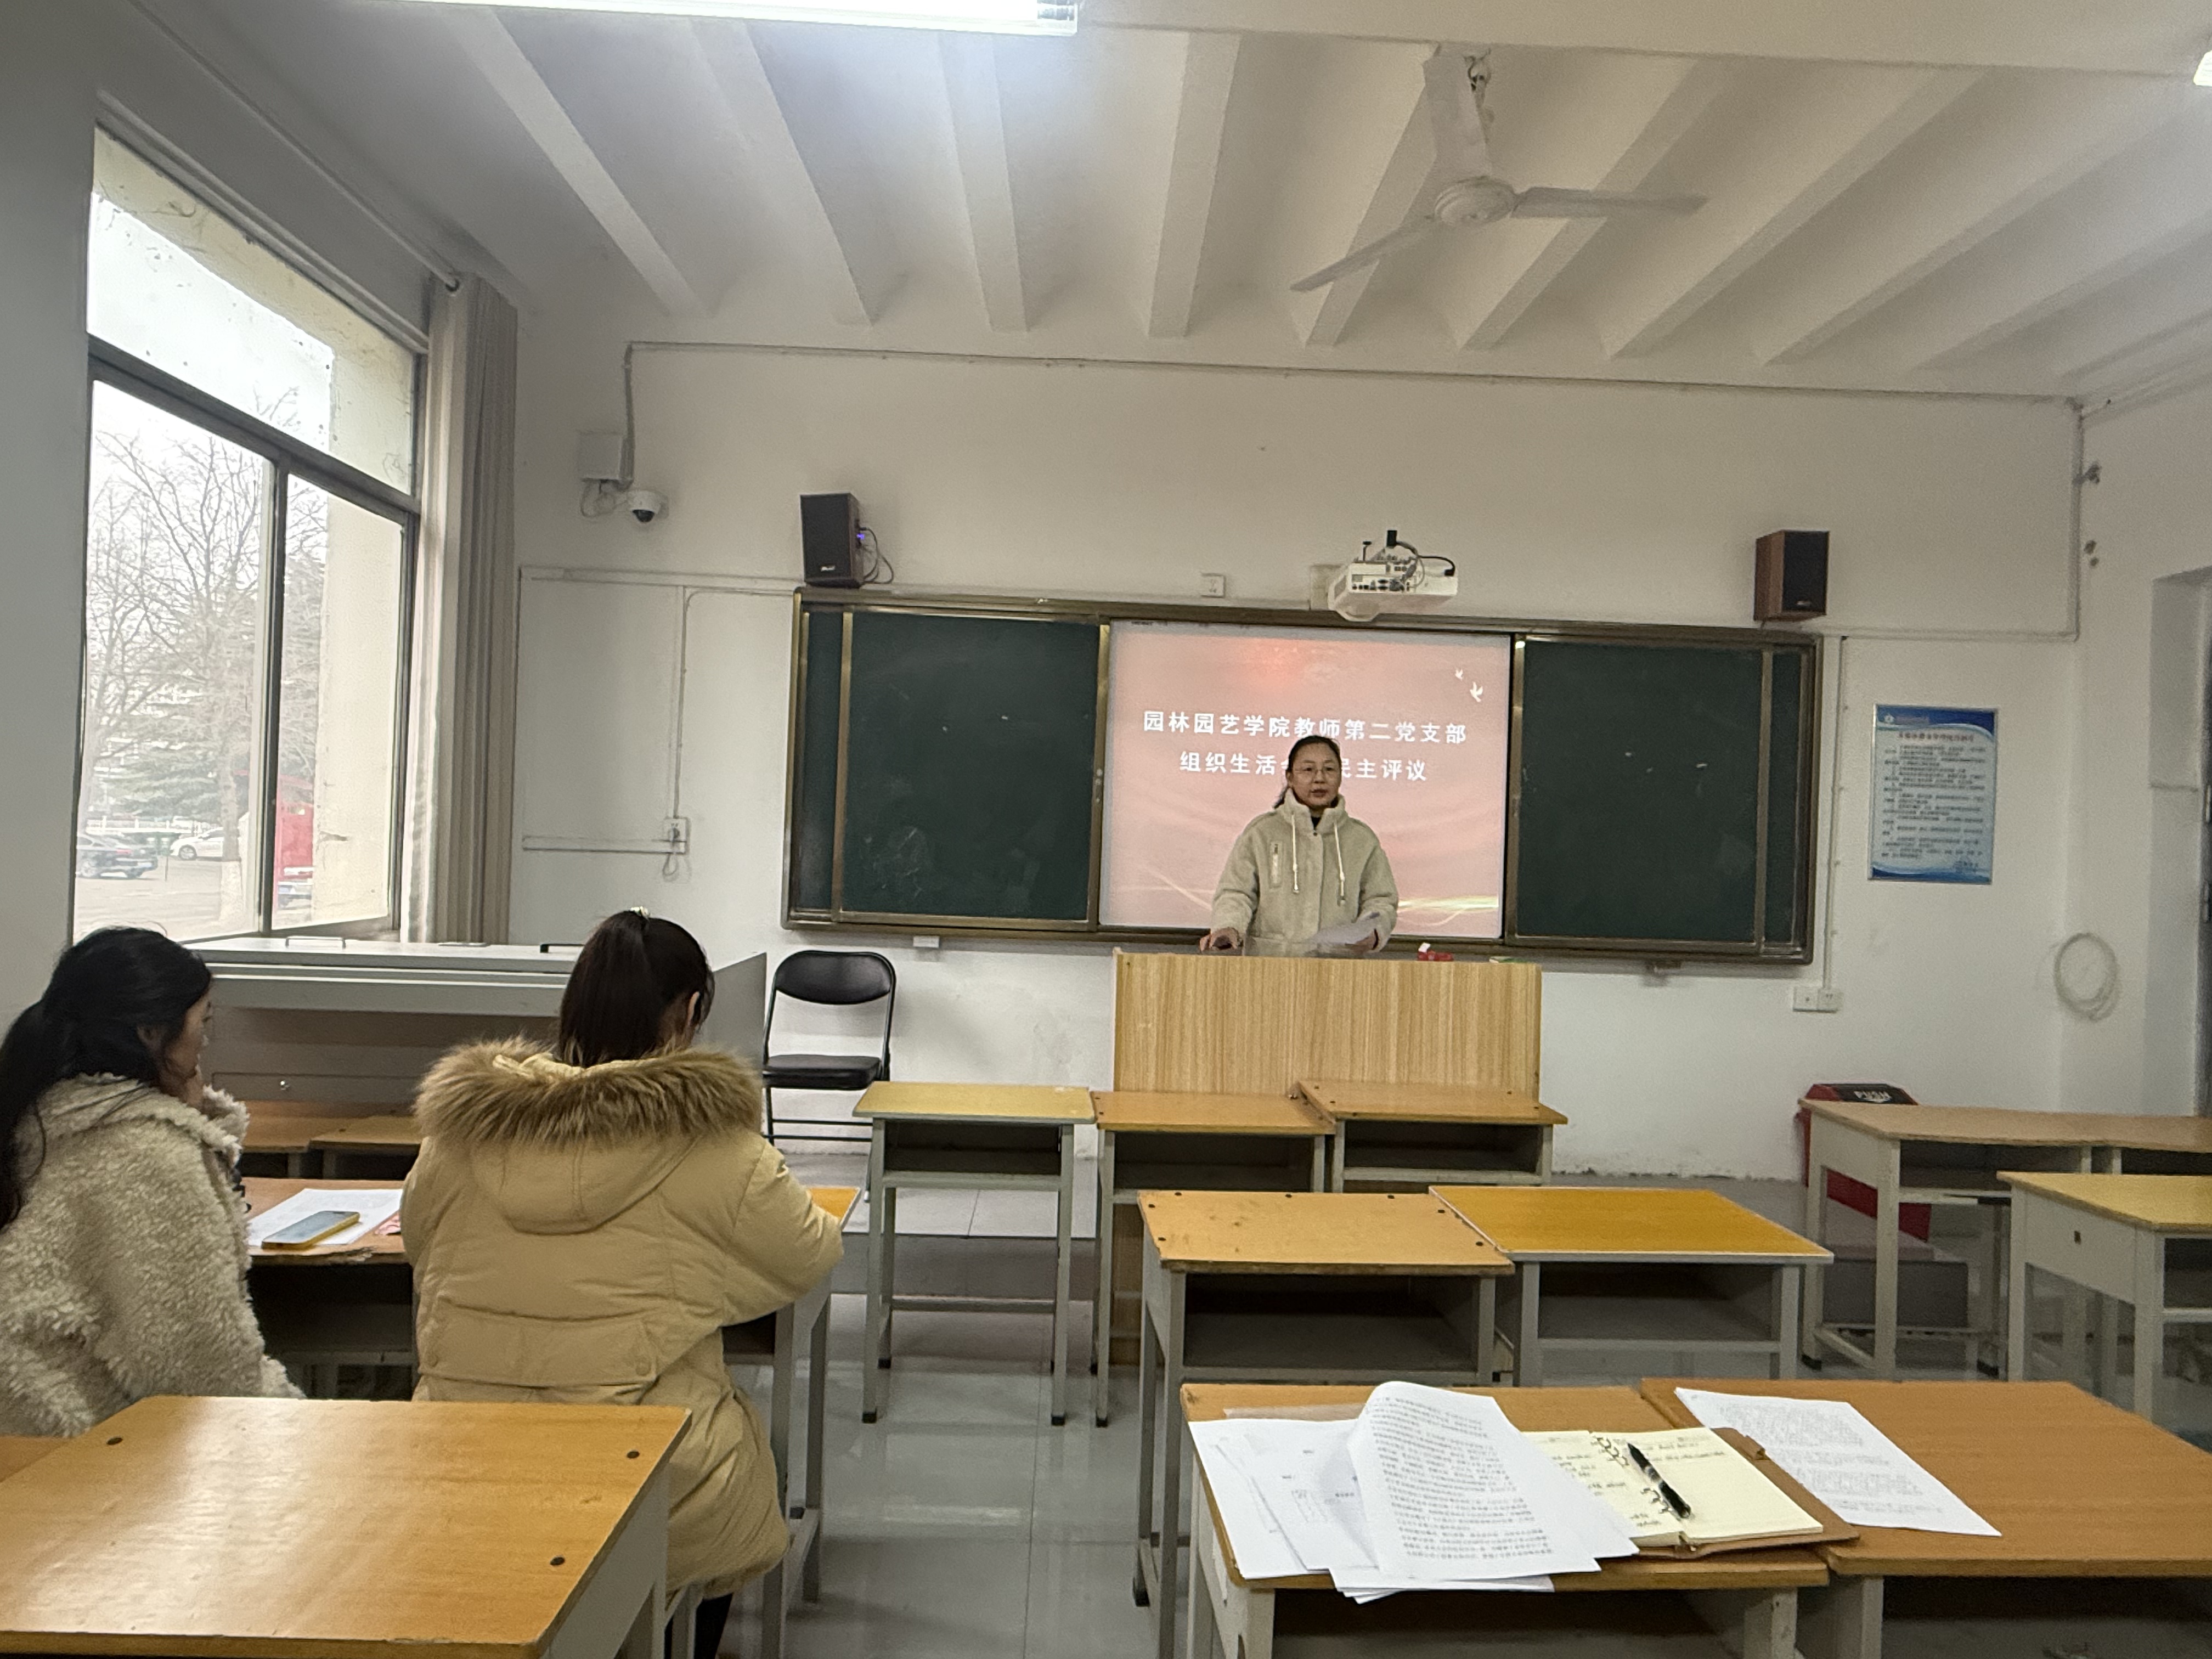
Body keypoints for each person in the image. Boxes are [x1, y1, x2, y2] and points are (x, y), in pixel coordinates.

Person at [403, 910, 842, 1658]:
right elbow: (809, 1255)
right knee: (730, 1474)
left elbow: (420, 1245)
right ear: (689, 1013)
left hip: (461, 1457)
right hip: (638, 1478)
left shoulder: (458, 1137)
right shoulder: (712, 1147)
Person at [0, 928, 298, 1435]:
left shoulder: (37, 1113)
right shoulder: (147, 1153)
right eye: (202, 1023)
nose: (205, 1043)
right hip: (76, 1448)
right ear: (150, 1033)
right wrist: (301, 1421)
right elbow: (202, 1374)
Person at [1200, 733, 1400, 957]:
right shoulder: (1262, 832)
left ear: (1341, 776)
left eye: (1329, 769)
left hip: (1340, 967)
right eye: (1308, 770)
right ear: (1290, 778)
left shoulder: (1361, 839)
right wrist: (1229, 927)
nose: (1319, 778)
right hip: (1270, 965)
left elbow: (1381, 900)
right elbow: (1237, 893)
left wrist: (1372, 932)